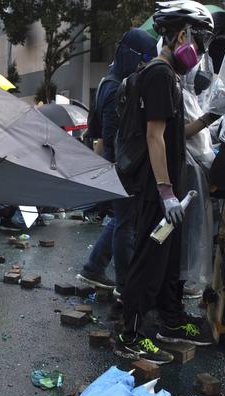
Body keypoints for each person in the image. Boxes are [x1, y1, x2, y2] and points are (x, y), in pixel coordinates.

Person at [116, 1, 217, 364]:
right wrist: (165, 192)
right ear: (180, 35)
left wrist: (210, 117)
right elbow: (154, 136)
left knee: (167, 261)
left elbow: (177, 133)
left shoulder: (169, 76)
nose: (201, 51)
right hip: (155, 192)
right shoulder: (159, 75)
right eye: (200, 41)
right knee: (148, 260)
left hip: (167, 191)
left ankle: (170, 321)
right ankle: (131, 335)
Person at [77, 29, 158, 298]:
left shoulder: (108, 81)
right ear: (129, 54)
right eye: (143, 58)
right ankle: (125, 286)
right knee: (126, 225)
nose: (143, 65)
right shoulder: (114, 87)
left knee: (120, 219)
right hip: (121, 165)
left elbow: (100, 131)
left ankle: (94, 266)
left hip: (115, 163)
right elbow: (113, 134)